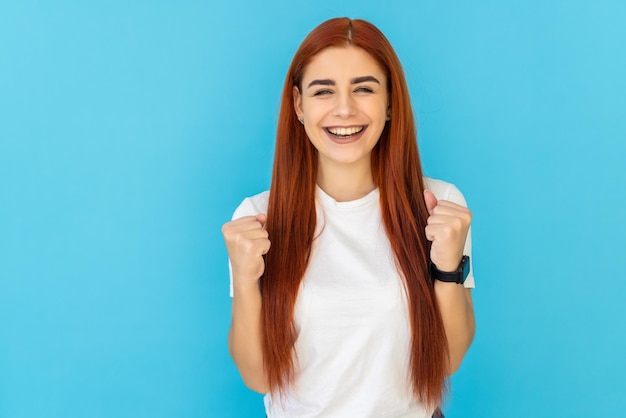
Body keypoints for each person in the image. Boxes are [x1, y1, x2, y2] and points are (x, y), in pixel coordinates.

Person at [222, 17, 475, 418]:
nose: (344, 109)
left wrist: (447, 269)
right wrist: (245, 280)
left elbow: (447, 362)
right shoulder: (257, 219)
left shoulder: (439, 205)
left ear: (390, 102)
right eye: (323, 91)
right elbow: (258, 378)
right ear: (299, 105)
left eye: (364, 89)